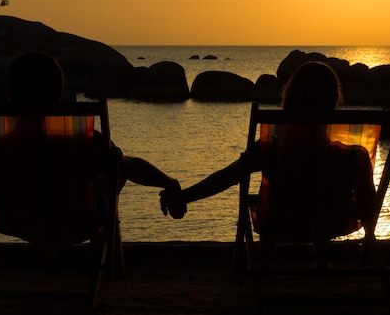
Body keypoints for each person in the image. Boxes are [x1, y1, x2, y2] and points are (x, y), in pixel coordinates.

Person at [159, 61, 376, 243]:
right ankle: (326, 259)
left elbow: (226, 177)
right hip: (332, 224)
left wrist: (182, 197)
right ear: (332, 104)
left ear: (289, 101)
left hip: (280, 224)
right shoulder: (355, 156)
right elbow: (369, 209)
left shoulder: (269, 150)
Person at [5, 51, 187, 219]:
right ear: (60, 94)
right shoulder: (84, 141)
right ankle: (100, 252)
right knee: (117, 162)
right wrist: (168, 182)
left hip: (13, 221)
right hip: (76, 224)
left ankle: (44, 250)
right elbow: (127, 165)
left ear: (9, 94)